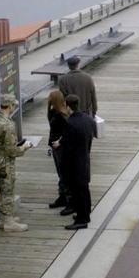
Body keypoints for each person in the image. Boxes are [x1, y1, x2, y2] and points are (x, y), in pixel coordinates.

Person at [0, 94, 32, 232]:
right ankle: (8, 222)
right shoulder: (9, 125)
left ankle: (4, 217)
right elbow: (12, 151)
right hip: (5, 162)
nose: (14, 108)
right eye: (14, 105)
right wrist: (25, 147)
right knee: (7, 190)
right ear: (10, 105)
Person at [62, 94, 96, 230]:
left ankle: (82, 219)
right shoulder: (88, 120)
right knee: (85, 188)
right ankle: (86, 213)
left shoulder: (70, 123)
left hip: (75, 163)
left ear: (68, 106)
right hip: (85, 158)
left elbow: (68, 148)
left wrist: (64, 165)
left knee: (78, 191)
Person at [46, 90, 73, 214]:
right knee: (60, 173)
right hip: (55, 147)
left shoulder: (62, 115)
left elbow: (68, 132)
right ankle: (62, 196)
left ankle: (69, 200)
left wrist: (60, 142)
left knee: (64, 173)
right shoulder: (54, 112)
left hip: (61, 148)